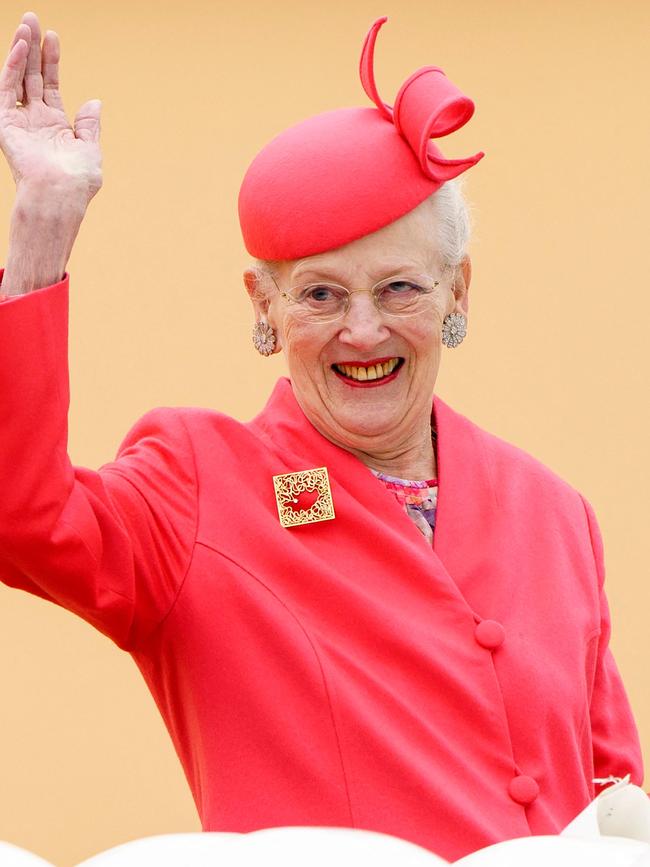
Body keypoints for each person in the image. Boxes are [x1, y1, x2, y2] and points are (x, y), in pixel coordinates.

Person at [0, 10, 644, 864]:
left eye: (402, 287)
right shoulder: (200, 485)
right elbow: (22, 515)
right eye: (321, 296)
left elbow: (613, 792)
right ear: (263, 308)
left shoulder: (555, 511)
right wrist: (43, 227)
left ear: (458, 294)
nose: (364, 330)